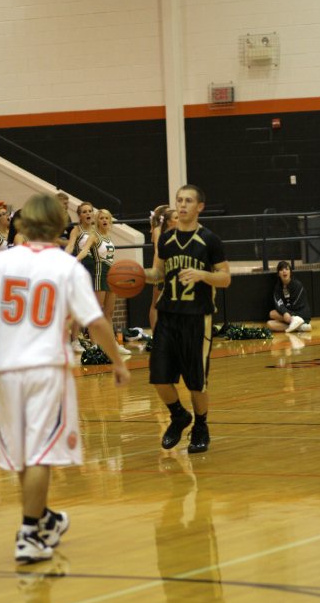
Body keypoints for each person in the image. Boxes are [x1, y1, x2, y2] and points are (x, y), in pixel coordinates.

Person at [0, 193, 129, 564]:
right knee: (40, 452)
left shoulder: (2, 263)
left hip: (6, 369)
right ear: (61, 225)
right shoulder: (66, 267)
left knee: (23, 456)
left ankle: (43, 518)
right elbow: (95, 322)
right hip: (46, 369)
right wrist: (117, 362)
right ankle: (29, 532)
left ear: (23, 223)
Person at [145, 184, 231, 454]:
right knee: (159, 377)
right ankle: (179, 416)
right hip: (168, 316)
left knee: (196, 382)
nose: (182, 205)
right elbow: (158, 274)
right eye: (179, 200)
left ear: (199, 207)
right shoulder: (166, 240)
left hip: (197, 318)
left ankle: (201, 427)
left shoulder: (210, 240)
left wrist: (203, 275)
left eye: (188, 201)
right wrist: (134, 274)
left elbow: (226, 278)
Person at [93, 208, 131, 355]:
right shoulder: (94, 236)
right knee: (97, 311)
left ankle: (112, 343)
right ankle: (96, 345)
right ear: (97, 220)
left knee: (109, 312)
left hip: (110, 275)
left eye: (107, 218)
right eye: (101, 218)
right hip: (99, 274)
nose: (104, 220)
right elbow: (84, 254)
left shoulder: (109, 237)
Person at [64, 201, 97, 352]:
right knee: (78, 305)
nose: (88, 213)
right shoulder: (76, 230)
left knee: (96, 306)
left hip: (97, 268)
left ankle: (94, 340)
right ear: (79, 216)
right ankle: (75, 340)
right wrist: (64, 259)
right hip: (82, 266)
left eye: (90, 211)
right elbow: (70, 246)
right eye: (84, 212)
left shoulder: (97, 230)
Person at [149, 205, 178, 333]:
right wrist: (157, 270)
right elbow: (157, 251)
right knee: (156, 303)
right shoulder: (158, 230)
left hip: (174, 268)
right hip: (161, 267)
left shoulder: (178, 231)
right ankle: (156, 335)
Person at [267, 260, 312, 333]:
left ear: (290, 272)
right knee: (270, 320)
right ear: (278, 274)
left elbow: (295, 305)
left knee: (276, 314)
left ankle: (297, 322)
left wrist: (287, 313)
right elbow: (278, 304)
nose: (284, 271)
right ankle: (300, 327)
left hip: (301, 315)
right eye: (281, 270)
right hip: (288, 316)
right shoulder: (278, 288)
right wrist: (285, 313)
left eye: (287, 269)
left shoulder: (297, 285)